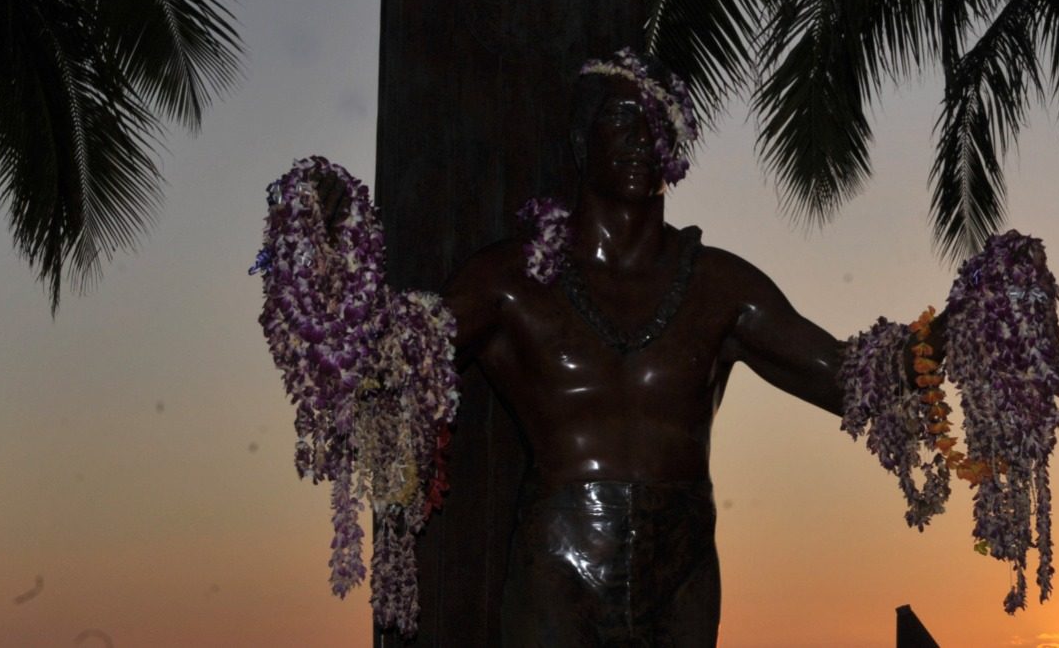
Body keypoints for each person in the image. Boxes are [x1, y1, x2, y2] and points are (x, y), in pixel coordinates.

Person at [374, 52, 940, 646]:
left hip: (682, 571)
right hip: (558, 568)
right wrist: (326, 254)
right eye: (621, 117)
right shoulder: (511, 282)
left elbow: (856, 380)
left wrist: (968, 320)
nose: (642, 137)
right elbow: (386, 368)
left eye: (659, 120)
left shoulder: (720, 287)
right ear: (579, 139)